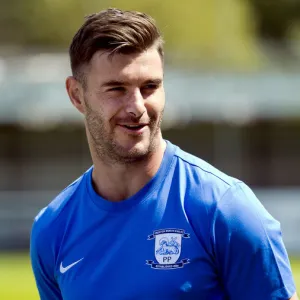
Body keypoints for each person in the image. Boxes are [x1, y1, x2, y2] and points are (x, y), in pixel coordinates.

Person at [30, 8, 298, 300]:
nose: (137, 107)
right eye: (117, 89)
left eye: (149, 87)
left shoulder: (225, 210)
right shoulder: (53, 229)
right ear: (76, 95)